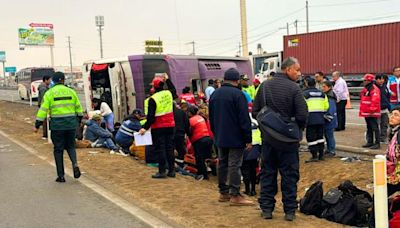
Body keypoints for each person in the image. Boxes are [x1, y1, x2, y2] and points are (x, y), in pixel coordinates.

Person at [252, 57, 308, 221]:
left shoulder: (264, 86)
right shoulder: (294, 89)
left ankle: (267, 209)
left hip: (268, 140)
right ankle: (289, 211)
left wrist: (269, 126)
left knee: (268, 173)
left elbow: (255, 111)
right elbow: (302, 114)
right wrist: (295, 128)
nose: (299, 73)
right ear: (287, 69)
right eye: (297, 70)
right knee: (289, 176)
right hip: (289, 142)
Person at [209, 68, 253, 206]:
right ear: (237, 80)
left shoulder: (215, 95)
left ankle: (223, 193)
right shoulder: (238, 95)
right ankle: (235, 195)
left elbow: (211, 117)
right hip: (236, 137)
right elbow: (244, 119)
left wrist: (216, 133)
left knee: (222, 162)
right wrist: (248, 139)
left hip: (220, 136)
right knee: (234, 164)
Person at [34, 72, 83, 183]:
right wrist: (78, 120)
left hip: (57, 126)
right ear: (63, 80)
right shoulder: (71, 91)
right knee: (71, 146)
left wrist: (38, 123)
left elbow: (43, 109)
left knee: (58, 150)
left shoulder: (49, 93)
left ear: (54, 81)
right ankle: (75, 164)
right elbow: (78, 108)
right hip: (71, 124)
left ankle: (61, 176)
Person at [139, 74, 177, 178]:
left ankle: (162, 171)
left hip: (158, 127)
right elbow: (173, 90)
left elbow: (151, 117)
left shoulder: (153, 99)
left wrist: (144, 128)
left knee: (160, 149)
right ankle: (172, 171)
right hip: (170, 125)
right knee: (169, 148)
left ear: (154, 87)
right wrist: (168, 80)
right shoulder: (168, 93)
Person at [303, 77, 329, 162]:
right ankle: (321, 155)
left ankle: (314, 156)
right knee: (320, 137)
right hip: (320, 118)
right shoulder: (322, 93)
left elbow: (301, 106)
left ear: (306, 83)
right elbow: (326, 107)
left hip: (310, 118)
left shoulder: (305, 94)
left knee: (311, 138)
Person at [188, 105, 213, 180]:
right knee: (207, 157)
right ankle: (211, 172)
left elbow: (190, 131)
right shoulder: (200, 118)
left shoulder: (191, 120)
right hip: (208, 138)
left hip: (199, 140)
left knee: (199, 158)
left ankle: (203, 175)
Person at [359, 74, 381, 149]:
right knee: (369, 127)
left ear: (369, 80)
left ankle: (377, 143)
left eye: (365, 80)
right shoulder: (367, 88)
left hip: (372, 112)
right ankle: (370, 142)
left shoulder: (373, 89)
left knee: (375, 128)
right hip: (367, 112)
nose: (363, 81)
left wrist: (371, 110)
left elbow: (375, 100)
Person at [241, 115, 261, 196]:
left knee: (245, 169)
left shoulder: (242, 122)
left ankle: (247, 190)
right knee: (253, 170)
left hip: (246, 147)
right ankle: (253, 190)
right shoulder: (255, 121)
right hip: (255, 148)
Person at [386, 106, 400, 195]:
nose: (392, 117)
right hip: (395, 170)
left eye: (396, 115)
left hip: (397, 173)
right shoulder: (393, 131)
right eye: (391, 114)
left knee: (380, 194)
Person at [321, 81, 338, 156]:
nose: (323, 88)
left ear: (329, 87)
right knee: (327, 136)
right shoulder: (328, 95)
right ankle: (329, 149)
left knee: (329, 136)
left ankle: (331, 150)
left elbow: (331, 109)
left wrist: (327, 117)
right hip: (329, 119)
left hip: (329, 120)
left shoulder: (330, 97)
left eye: (324, 86)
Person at [173, 100, 191, 167]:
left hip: (171, 134)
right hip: (180, 134)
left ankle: (173, 164)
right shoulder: (181, 112)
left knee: (171, 149)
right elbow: (187, 124)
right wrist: (188, 133)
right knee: (180, 150)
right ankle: (180, 165)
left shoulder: (168, 113)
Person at [375, 74, 391, 143]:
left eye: (382, 79)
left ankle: (383, 138)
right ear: (376, 79)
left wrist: (388, 106)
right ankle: (376, 138)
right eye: (379, 79)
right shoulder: (374, 87)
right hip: (377, 109)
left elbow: (388, 97)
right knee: (376, 125)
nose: (381, 81)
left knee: (384, 124)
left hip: (384, 109)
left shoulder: (385, 87)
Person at [37, 75, 52, 139]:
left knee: (45, 120)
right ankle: (45, 135)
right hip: (44, 106)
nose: (50, 81)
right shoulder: (43, 88)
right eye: (49, 80)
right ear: (46, 80)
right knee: (45, 121)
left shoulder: (45, 87)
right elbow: (44, 98)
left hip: (44, 105)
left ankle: (46, 134)